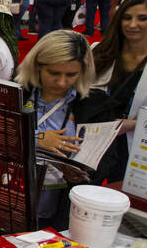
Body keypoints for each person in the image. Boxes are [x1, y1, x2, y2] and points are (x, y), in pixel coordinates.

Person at [88, 0, 147, 180]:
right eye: (127, 17)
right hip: (93, 140)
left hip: (140, 145)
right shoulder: (99, 50)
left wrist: (134, 125)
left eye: (142, 18)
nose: (132, 24)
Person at [15, 31, 95, 229]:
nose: (62, 82)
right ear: (37, 66)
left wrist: (81, 172)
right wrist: (38, 138)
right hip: (10, 193)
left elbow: (103, 158)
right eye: (54, 73)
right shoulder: (14, 92)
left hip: (57, 204)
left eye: (71, 75)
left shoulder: (91, 104)